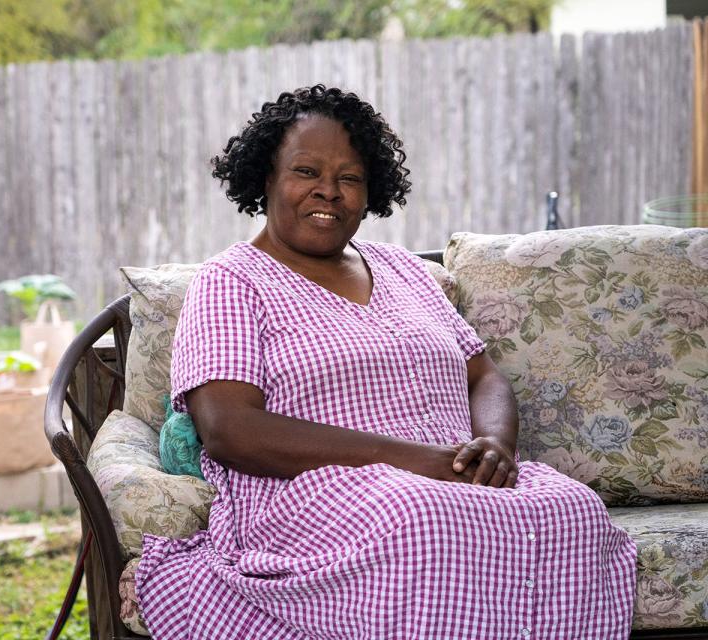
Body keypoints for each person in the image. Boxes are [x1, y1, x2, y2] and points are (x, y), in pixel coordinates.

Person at [135, 85, 636, 639]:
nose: (329, 192)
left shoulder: (406, 271)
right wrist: (413, 461)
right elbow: (231, 431)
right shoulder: (230, 282)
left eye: (349, 178)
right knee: (418, 521)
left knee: (574, 511)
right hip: (314, 494)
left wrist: (494, 444)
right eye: (306, 171)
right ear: (265, 179)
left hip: (451, 479)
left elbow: (483, 374)